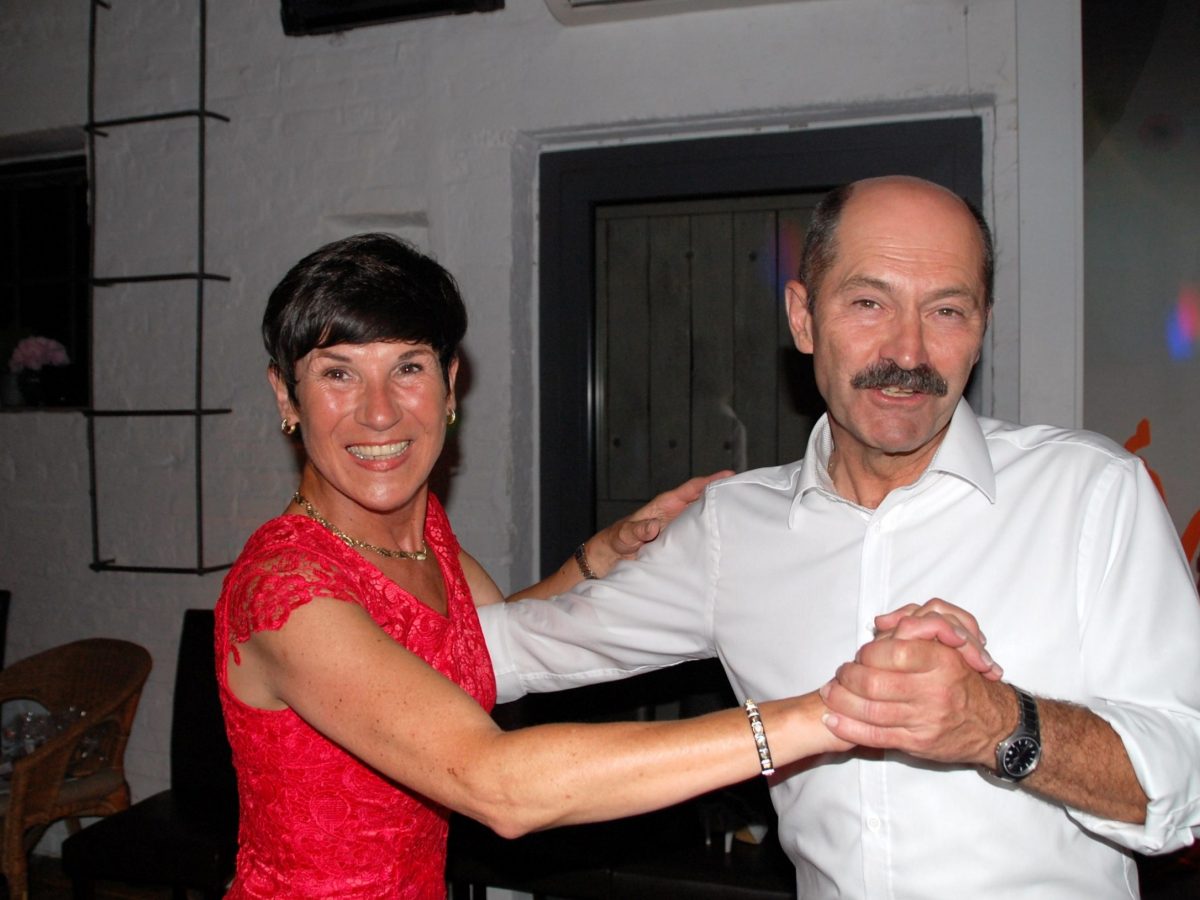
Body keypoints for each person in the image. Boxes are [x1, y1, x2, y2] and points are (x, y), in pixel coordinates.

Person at [478, 176, 1200, 898]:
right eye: (868, 303)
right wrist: (404, 551)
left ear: (982, 328)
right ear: (803, 318)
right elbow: (507, 651)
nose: (908, 352)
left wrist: (998, 724)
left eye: (946, 310)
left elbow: (1188, 779)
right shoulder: (732, 528)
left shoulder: (1090, 492)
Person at [213, 233, 993, 899]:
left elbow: (487, 647)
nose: (380, 411)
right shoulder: (285, 592)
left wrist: (605, 553)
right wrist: (827, 714)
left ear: (450, 386)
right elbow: (495, 781)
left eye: (408, 368)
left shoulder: (419, 541)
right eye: (338, 373)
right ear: (287, 396)